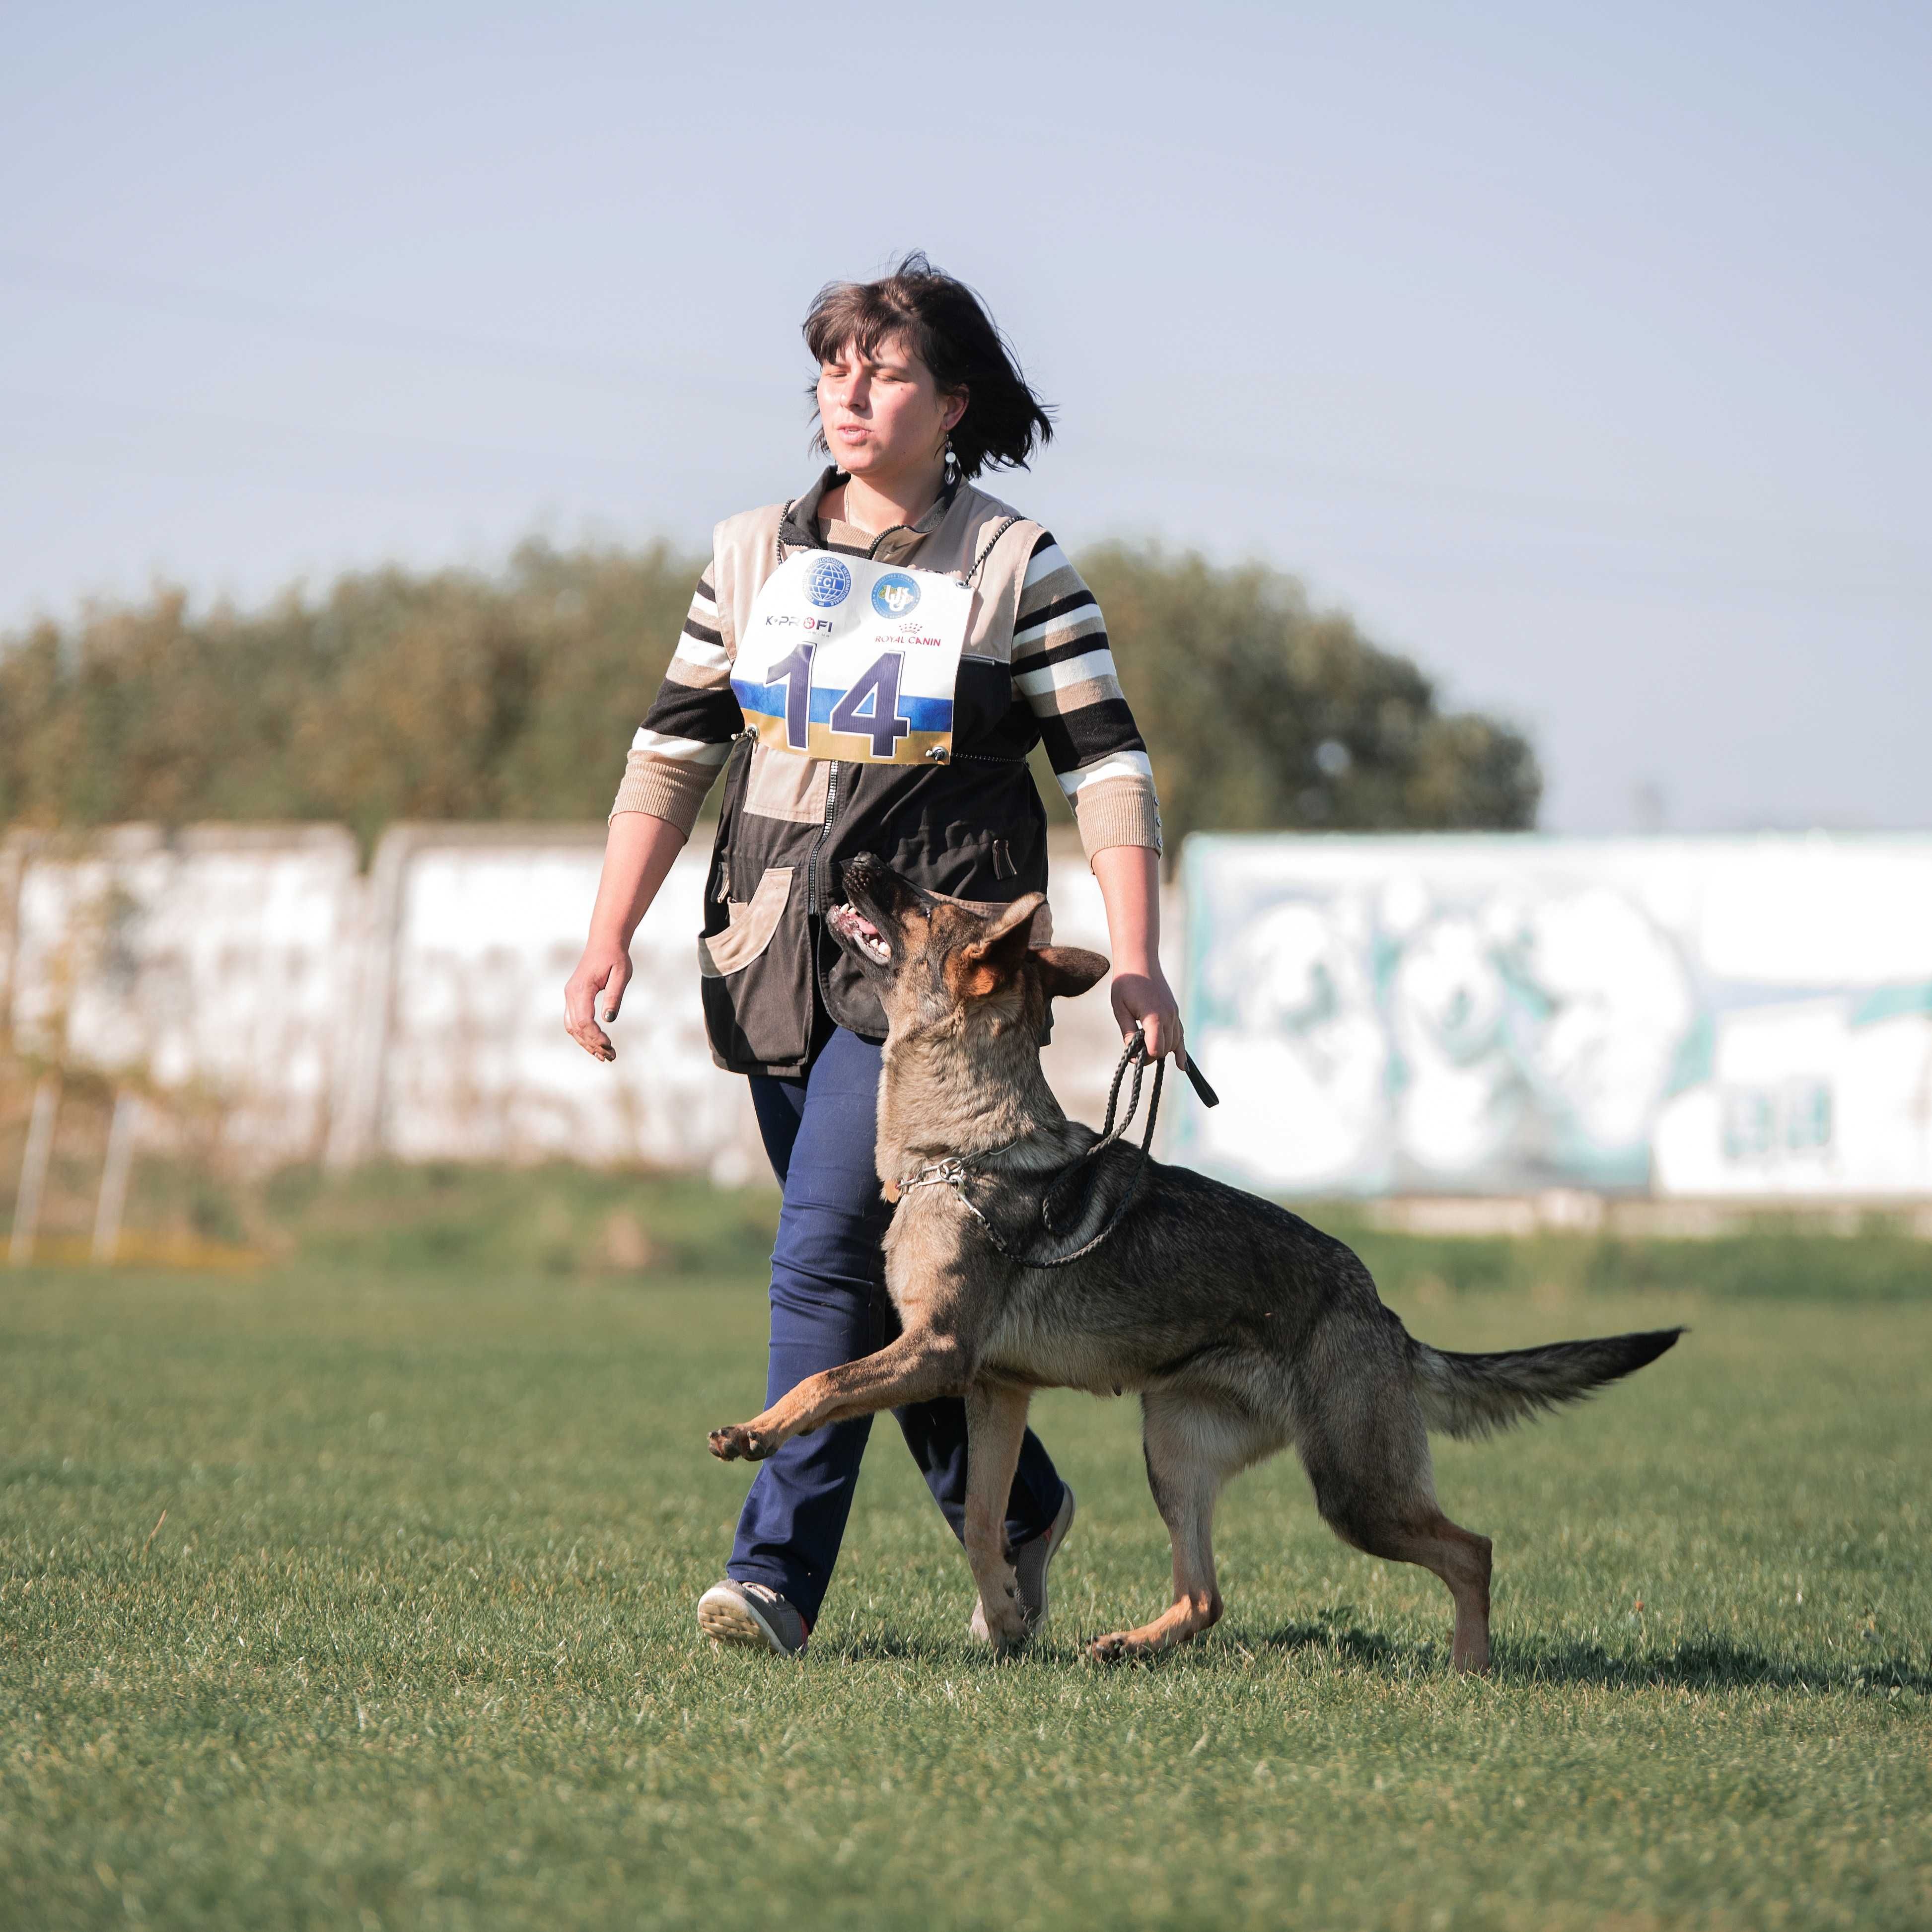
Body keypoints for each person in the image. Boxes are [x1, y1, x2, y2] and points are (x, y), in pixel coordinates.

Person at [564, 252, 1181, 1656]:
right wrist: (608, 934)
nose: (850, 388)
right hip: (771, 956)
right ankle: (1012, 1502)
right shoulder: (744, 555)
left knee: (821, 1254)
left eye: (886, 366)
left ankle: (773, 1576)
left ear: (950, 402)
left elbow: (1107, 763)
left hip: (938, 987)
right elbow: (669, 755)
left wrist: (1133, 953)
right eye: (833, 365)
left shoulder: (1016, 564)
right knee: (884, 1278)